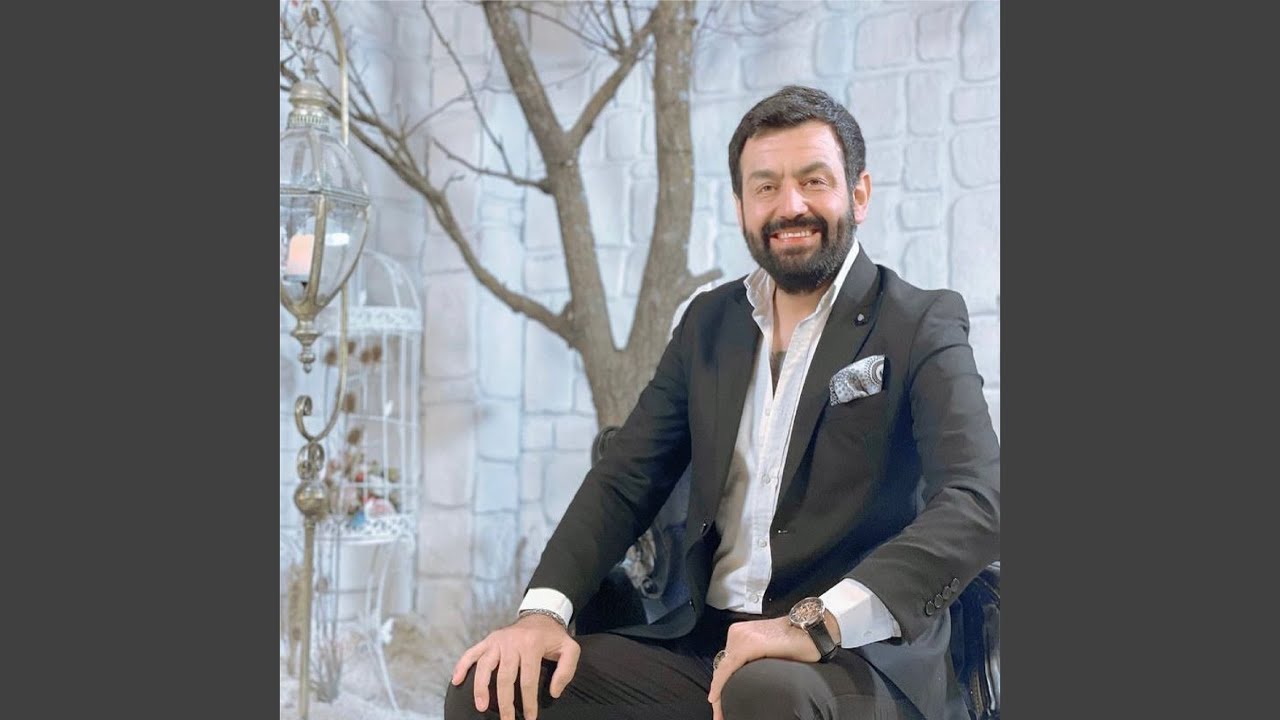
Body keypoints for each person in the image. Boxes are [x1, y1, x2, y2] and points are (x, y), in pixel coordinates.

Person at [444, 85, 1000, 720]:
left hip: (855, 655)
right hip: (707, 645)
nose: (790, 205)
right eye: (766, 187)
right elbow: (624, 478)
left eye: (814, 181)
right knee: (489, 691)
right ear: (741, 206)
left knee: (761, 694)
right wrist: (542, 614)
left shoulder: (919, 322)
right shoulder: (709, 324)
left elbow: (980, 497)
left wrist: (817, 623)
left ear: (859, 194)